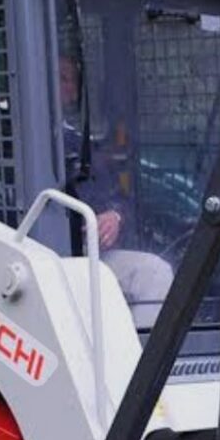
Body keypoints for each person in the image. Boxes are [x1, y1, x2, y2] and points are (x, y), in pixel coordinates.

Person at [58, 55, 173, 312]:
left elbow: (122, 199)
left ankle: (146, 341)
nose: (57, 84)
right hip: (33, 253)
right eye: (52, 76)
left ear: (75, 92)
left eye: (65, 79)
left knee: (154, 273)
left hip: (86, 253)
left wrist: (115, 217)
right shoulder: (9, 127)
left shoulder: (81, 143)